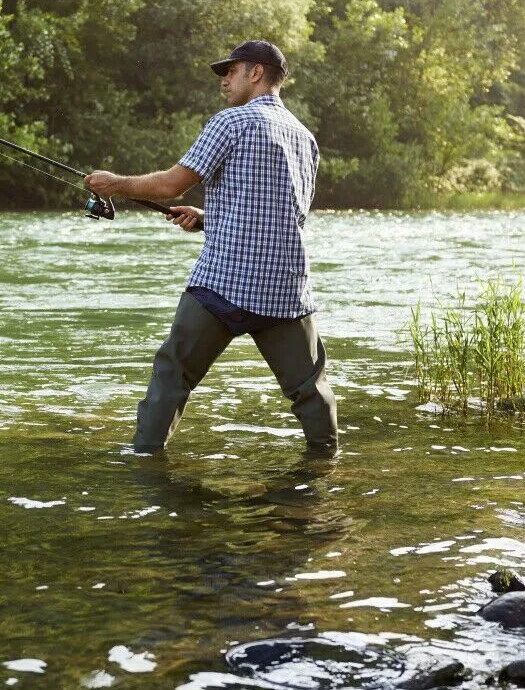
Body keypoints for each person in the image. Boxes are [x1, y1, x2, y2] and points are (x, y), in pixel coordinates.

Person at [84, 40, 337, 454]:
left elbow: (171, 184)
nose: (224, 80)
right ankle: (326, 464)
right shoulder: (305, 138)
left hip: (224, 284)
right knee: (310, 390)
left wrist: (117, 183)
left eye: (231, 70)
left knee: (173, 373)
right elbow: (285, 215)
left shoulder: (230, 123)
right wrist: (208, 219)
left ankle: (146, 462)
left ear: (256, 73)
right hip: (286, 290)